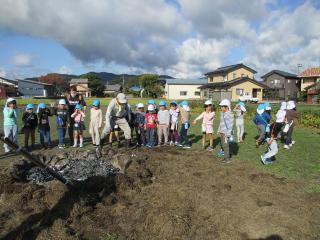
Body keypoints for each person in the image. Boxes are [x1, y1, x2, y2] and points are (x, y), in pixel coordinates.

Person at [217, 99, 234, 164]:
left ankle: (227, 159)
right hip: (222, 131)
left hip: (226, 132)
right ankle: (226, 157)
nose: (221, 108)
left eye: (222, 106)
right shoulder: (222, 113)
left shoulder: (230, 114)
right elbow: (221, 122)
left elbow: (231, 124)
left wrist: (228, 133)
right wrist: (219, 130)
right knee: (223, 144)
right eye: (221, 106)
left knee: (225, 145)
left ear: (227, 107)